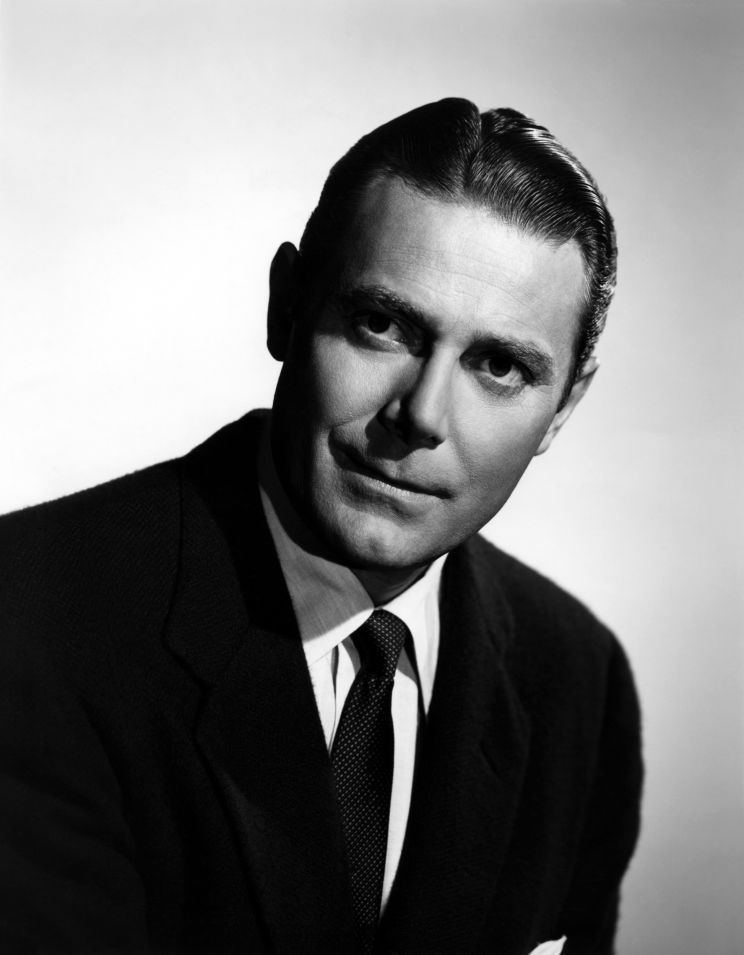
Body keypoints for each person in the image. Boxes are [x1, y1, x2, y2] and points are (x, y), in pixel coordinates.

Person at [0, 98, 642, 955]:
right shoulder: (31, 619)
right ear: (286, 306)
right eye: (383, 324)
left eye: (498, 365)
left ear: (563, 407)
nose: (421, 415)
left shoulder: (577, 678)